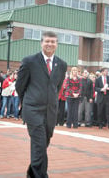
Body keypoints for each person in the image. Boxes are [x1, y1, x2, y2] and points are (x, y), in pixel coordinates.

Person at [16, 31, 67, 178]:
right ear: (41, 43)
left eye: (53, 41)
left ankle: (31, 173)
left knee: (42, 145)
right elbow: (20, 86)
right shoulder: (29, 61)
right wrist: (27, 102)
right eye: (47, 41)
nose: (50, 44)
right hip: (33, 109)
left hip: (50, 111)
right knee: (39, 145)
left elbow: (57, 87)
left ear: (57, 44)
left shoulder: (61, 64)